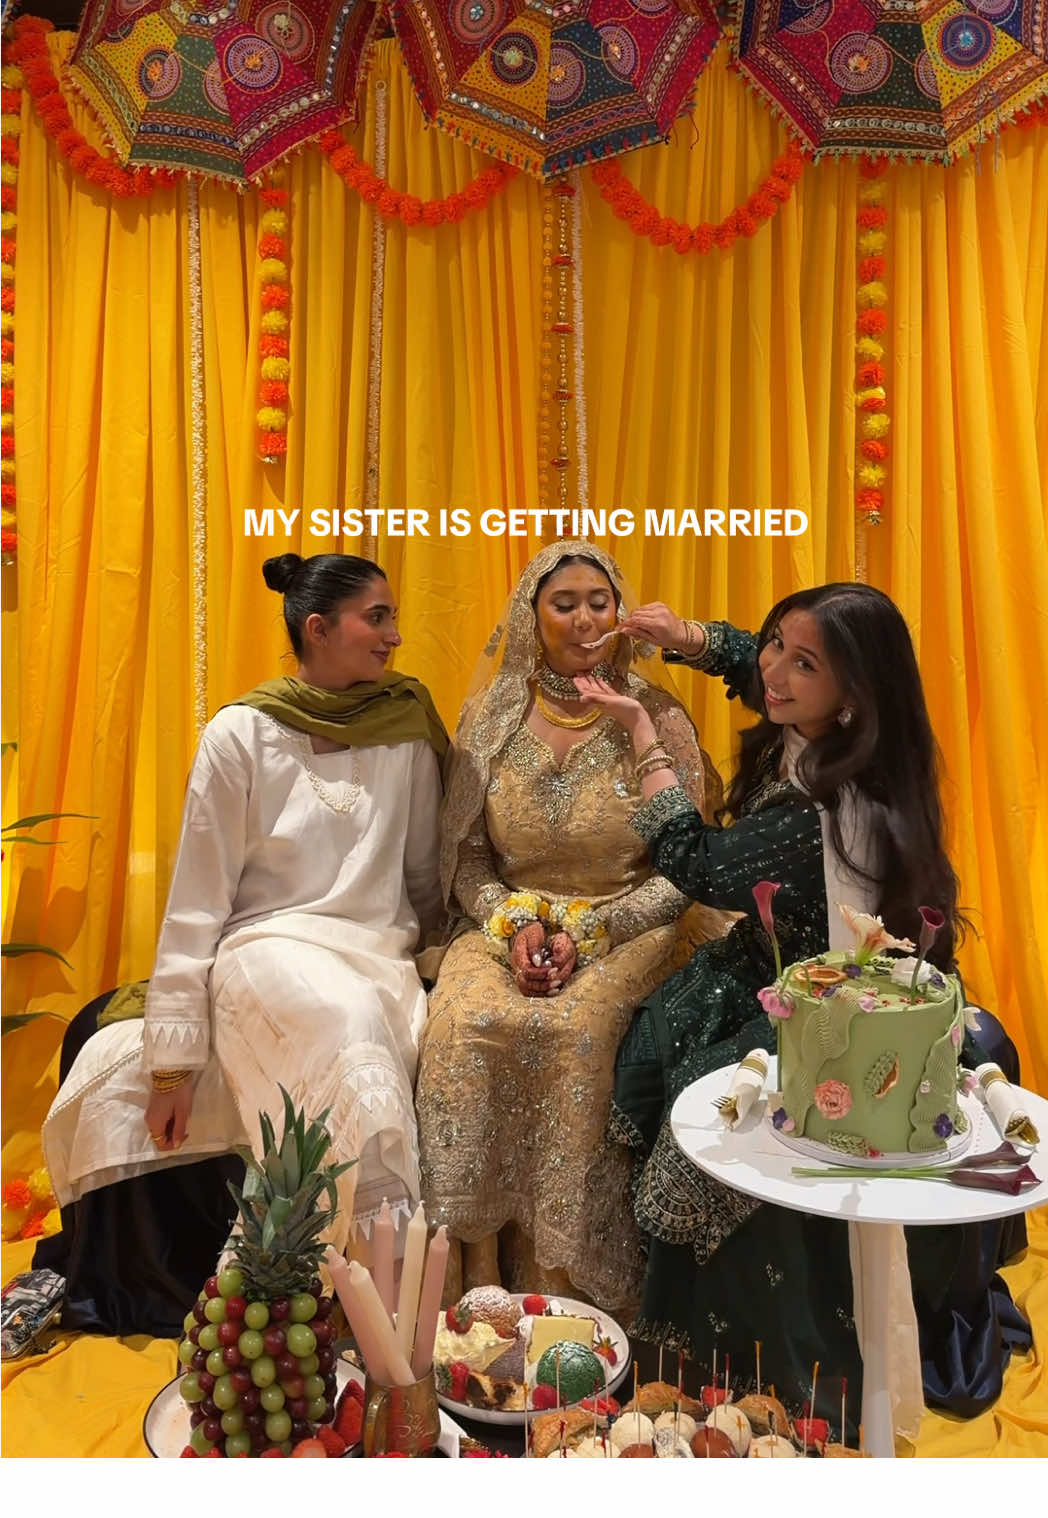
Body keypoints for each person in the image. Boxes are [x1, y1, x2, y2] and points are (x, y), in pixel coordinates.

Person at [576, 584, 1031, 1431]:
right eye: (777, 644)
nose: (775, 672)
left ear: (852, 694)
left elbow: (697, 862)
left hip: (825, 1007)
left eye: (804, 662)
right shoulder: (851, 739)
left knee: (705, 1143)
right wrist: (691, 637)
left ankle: (744, 1377)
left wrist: (641, 734)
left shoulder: (815, 811)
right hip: (783, 966)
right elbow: (757, 666)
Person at [36, 553, 448, 1335]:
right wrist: (172, 1064)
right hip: (265, 951)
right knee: (349, 1025)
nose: (395, 636)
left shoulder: (406, 727)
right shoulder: (242, 733)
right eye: (377, 618)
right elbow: (196, 904)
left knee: (365, 1019)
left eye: (393, 616)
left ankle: (375, 1329)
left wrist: (451, 964)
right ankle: (327, 1310)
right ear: (318, 629)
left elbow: (424, 878)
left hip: (378, 956)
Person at [415, 541, 729, 1307]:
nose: (585, 619)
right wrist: (513, 922)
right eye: (565, 604)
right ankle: (473, 1288)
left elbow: (683, 868)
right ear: (533, 617)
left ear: (620, 614)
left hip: (635, 923)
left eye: (599, 602)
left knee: (574, 1032)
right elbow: (470, 857)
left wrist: (594, 934)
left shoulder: (657, 717)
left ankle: (566, 1289)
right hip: (509, 923)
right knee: (462, 1026)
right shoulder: (492, 718)